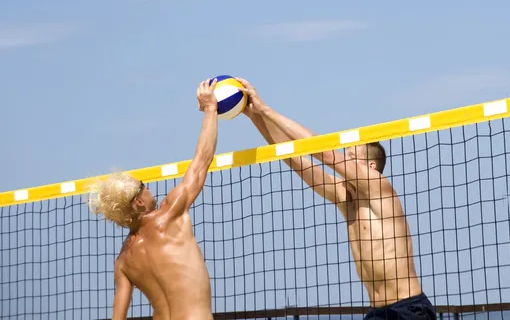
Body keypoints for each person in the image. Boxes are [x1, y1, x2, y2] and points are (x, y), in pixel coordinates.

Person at [236, 78, 436, 320]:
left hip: (408, 309)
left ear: (371, 166)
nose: (345, 159)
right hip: (377, 312)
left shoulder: (379, 187)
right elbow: (294, 159)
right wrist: (254, 116)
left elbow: (323, 151)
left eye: (352, 157)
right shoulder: (345, 196)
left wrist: (266, 109)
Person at [87, 78, 220, 320]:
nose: (148, 187)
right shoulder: (170, 214)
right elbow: (202, 160)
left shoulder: (123, 262)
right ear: (138, 202)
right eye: (142, 186)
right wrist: (210, 109)